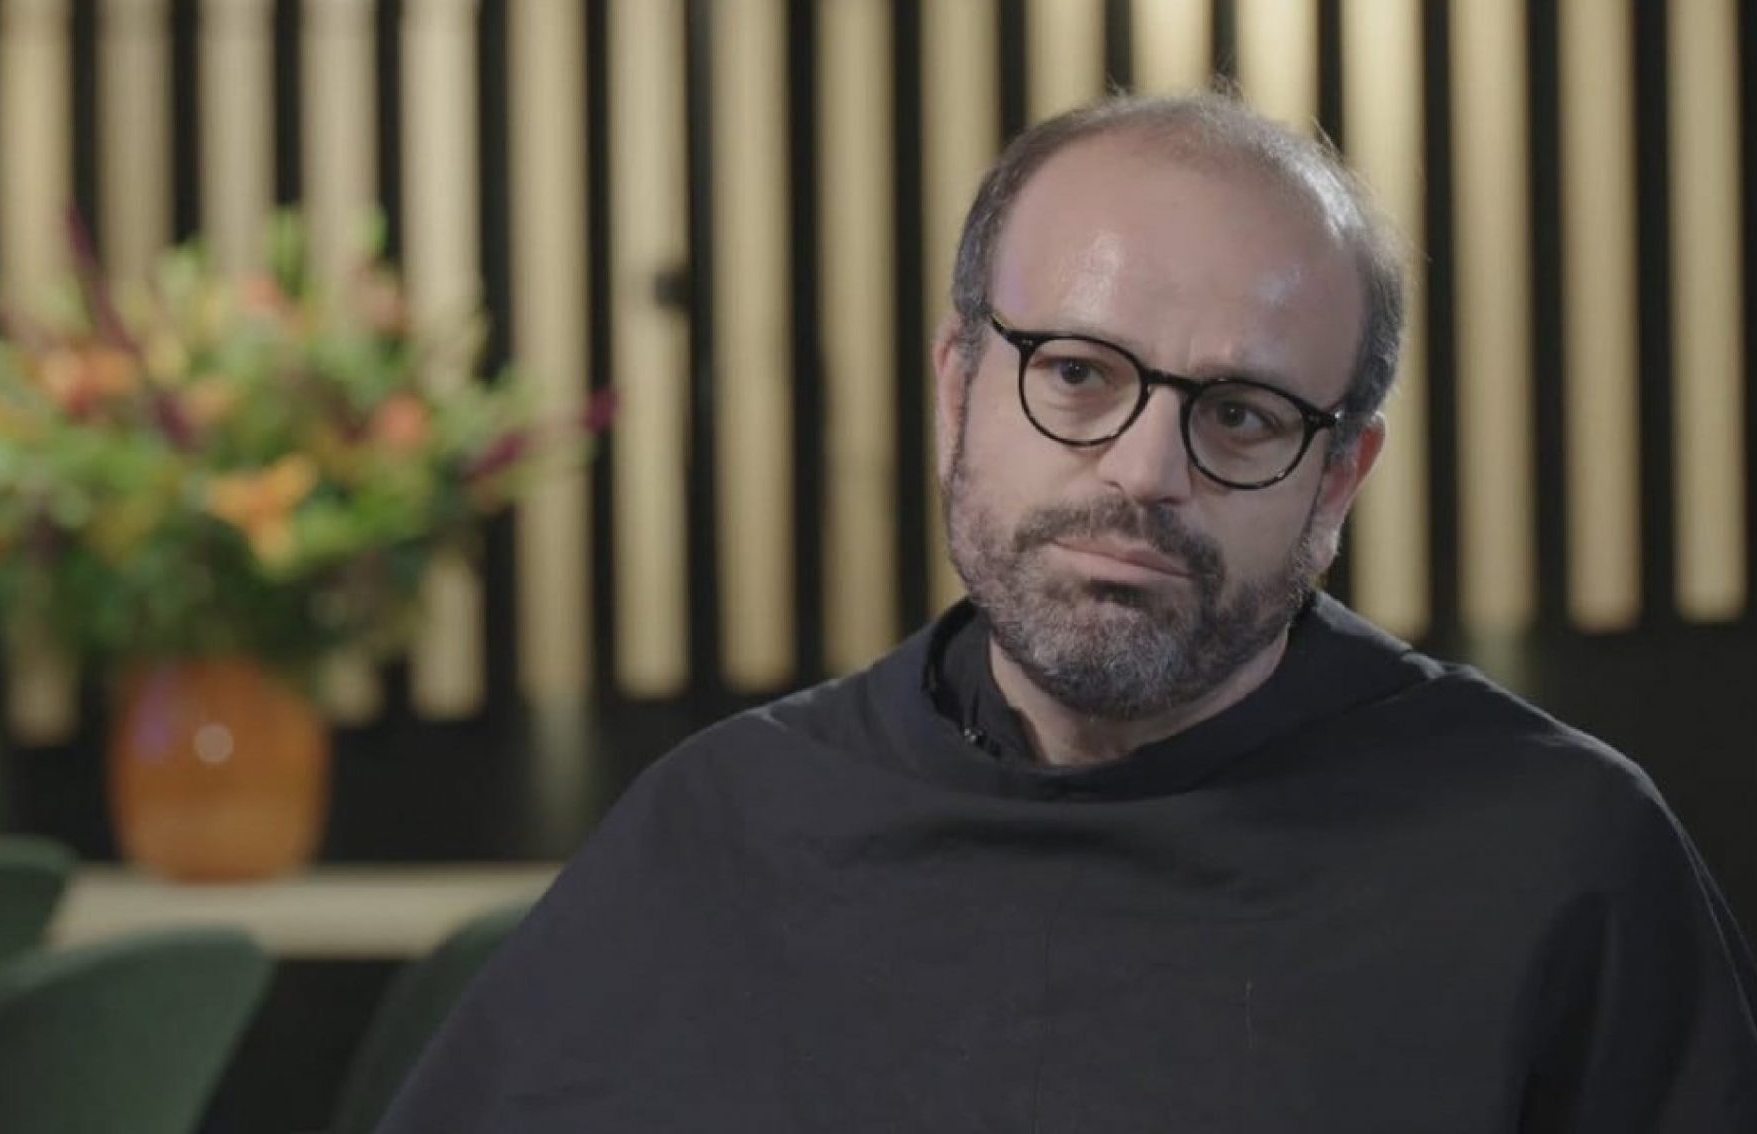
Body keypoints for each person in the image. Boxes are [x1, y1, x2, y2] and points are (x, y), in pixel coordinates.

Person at [377, 92, 1757, 1132]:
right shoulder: (719, 830)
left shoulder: (1557, 858)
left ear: (1339, 476)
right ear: (957, 389)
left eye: (1240, 413)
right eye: (1081, 375)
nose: (1146, 472)